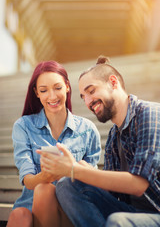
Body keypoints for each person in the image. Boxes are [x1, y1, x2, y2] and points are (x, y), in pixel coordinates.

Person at [38, 56, 160, 227]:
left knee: (118, 221)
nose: (88, 102)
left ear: (113, 82)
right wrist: (80, 169)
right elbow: (111, 193)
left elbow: (139, 184)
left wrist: (74, 169)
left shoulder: (150, 114)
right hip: (131, 211)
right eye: (83, 97)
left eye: (91, 91)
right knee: (67, 185)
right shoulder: (113, 136)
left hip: (156, 212)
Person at [6, 60, 101, 227]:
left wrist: (72, 170)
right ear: (36, 93)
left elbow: (91, 184)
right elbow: (28, 180)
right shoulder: (24, 126)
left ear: (67, 86)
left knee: (46, 189)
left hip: (70, 209)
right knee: (23, 211)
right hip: (32, 207)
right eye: (44, 90)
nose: (52, 96)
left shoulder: (87, 129)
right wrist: (46, 176)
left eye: (58, 88)